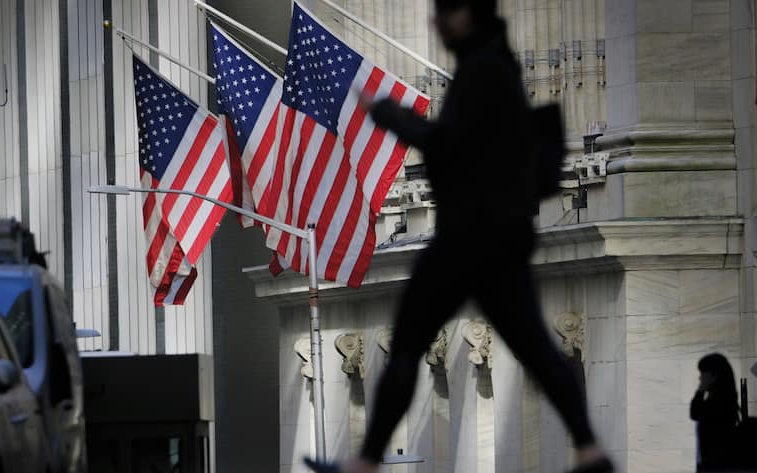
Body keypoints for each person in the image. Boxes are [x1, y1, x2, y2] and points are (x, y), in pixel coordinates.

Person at [304, 1, 613, 473]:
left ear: (468, 14)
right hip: (500, 239)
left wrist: (386, 112)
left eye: (445, 12)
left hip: (467, 239)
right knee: (534, 345)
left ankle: (364, 463)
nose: (436, 24)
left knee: (408, 343)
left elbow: (447, 144)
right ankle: (590, 450)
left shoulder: (484, 70)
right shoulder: (496, 65)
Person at [690, 353, 741, 472]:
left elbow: (694, 412)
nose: (700, 378)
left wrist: (700, 390)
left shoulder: (719, 403)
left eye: (702, 373)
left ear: (713, 375)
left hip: (716, 466)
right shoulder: (720, 399)